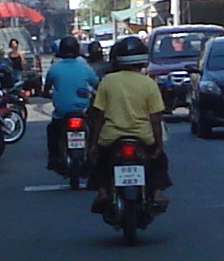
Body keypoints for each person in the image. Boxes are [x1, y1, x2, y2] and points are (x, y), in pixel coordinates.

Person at [89, 38, 170, 201]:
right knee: (160, 161)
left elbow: (98, 115)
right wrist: (158, 145)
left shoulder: (107, 81)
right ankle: (157, 193)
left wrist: (93, 143)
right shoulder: (149, 84)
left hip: (111, 138)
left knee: (99, 161)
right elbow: (155, 118)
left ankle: (103, 193)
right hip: (143, 138)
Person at [42, 36, 100, 172]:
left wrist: (47, 94)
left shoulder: (54, 69)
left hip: (62, 114)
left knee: (52, 131)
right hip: (83, 112)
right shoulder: (85, 68)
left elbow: (46, 89)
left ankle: (53, 158)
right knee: (95, 130)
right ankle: (94, 154)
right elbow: (97, 85)